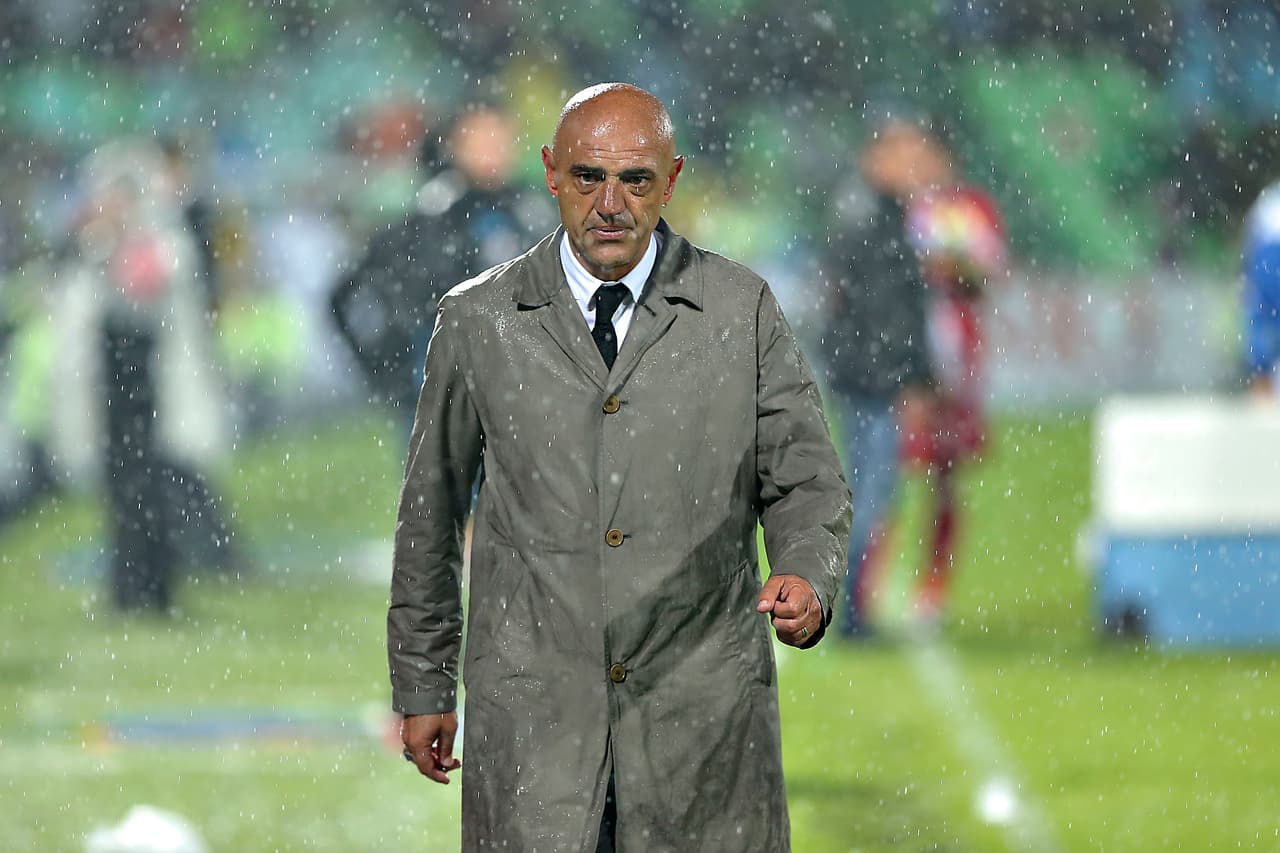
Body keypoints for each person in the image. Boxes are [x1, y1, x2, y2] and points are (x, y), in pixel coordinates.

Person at [388, 83, 851, 852]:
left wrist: (807, 569)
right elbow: (430, 516)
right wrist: (423, 682)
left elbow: (805, 474)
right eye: (587, 177)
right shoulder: (476, 321)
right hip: (536, 719)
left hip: (700, 723)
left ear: (670, 181)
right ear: (550, 173)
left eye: (635, 180)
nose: (610, 202)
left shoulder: (743, 311)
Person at [331, 104, 554, 429]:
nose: (493, 150)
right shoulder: (430, 216)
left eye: (500, 138)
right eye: (481, 140)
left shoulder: (530, 210)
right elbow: (354, 292)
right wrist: (385, 369)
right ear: (455, 146)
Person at [813, 114, 940, 638]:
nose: (914, 166)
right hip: (871, 382)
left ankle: (850, 609)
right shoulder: (873, 218)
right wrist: (908, 380)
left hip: (861, 377)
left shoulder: (867, 211)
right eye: (903, 154)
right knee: (869, 495)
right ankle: (848, 614)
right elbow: (886, 314)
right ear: (877, 157)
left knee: (870, 493)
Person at [900, 171, 1006, 629]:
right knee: (885, 471)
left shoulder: (971, 208)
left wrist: (957, 265)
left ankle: (932, 589)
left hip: (954, 351)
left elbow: (987, 273)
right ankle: (864, 580)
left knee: (943, 478)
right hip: (905, 351)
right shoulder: (900, 206)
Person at [1242, 179, 1280, 397]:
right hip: (1265, 258)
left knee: (1262, 337)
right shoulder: (1269, 200)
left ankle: (1262, 393)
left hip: (1264, 258)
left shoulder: (1268, 200)